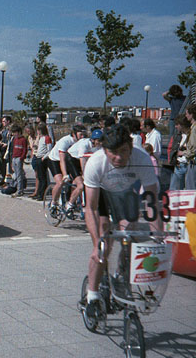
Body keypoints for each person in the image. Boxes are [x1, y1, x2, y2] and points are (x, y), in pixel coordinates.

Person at [83, 124, 161, 318]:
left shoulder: (142, 159)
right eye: (113, 153)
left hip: (125, 194)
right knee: (103, 247)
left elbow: (151, 201)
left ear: (131, 147)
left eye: (123, 152)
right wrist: (96, 245)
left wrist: (159, 237)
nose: (118, 158)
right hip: (102, 195)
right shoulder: (96, 162)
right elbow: (90, 208)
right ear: (104, 150)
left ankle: (120, 274)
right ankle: (92, 295)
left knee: (130, 236)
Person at [63, 129, 104, 212]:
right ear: (93, 140)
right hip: (72, 159)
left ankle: (74, 200)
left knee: (78, 184)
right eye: (99, 141)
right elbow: (82, 161)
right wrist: (85, 175)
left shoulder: (99, 146)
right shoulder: (84, 144)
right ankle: (69, 204)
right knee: (81, 185)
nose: (101, 143)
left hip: (82, 160)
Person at [45, 124, 86, 209]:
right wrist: (65, 174)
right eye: (80, 135)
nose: (82, 137)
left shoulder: (82, 142)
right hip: (55, 160)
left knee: (76, 182)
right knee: (60, 182)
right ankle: (54, 202)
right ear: (74, 134)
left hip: (69, 161)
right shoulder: (65, 141)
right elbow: (62, 160)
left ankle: (71, 202)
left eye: (84, 135)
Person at [167, 114, 191, 190]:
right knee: (174, 190)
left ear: (182, 125)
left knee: (189, 190)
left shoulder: (191, 135)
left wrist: (183, 152)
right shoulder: (178, 135)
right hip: (179, 165)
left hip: (188, 165)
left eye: (177, 124)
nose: (175, 126)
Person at [4, 124, 28, 197]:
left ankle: (20, 190)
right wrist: (12, 160)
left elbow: (25, 149)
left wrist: (21, 158)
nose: (14, 134)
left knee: (19, 175)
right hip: (14, 157)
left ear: (19, 132)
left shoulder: (23, 139)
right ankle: (16, 187)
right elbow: (13, 149)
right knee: (15, 174)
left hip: (19, 158)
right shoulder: (14, 139)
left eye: (15, 132)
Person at [32, 123, 53, 201]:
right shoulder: (41, 138)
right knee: (40, 177)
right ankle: (39, 193)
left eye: (38, 130)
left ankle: (42, 194)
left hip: (42, 159)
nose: (38, 132)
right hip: (38, 157)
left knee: (42, 177)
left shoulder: (47, 138)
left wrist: (43, 158)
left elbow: (49, 150)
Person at [185, 105, 196, 189]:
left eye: (187, 113)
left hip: (193, 162)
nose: (186, 116)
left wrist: (185, 153)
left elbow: (194, 147)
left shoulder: (194, 129)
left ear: (192, 114)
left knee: (191, 188)